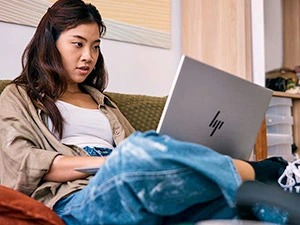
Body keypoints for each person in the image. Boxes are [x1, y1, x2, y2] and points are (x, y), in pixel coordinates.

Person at [0, 0, 294, 224]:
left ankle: (282, 198)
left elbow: (143, 155)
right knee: (137, 150)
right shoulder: (19, 96)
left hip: (136, 182)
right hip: (77, 199)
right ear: (50, 43)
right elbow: (21, 163)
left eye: (95, 47)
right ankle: (268, 170)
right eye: (78, 44)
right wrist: (110, 161)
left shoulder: (103, 103)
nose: (88, 56)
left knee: (229, 198)